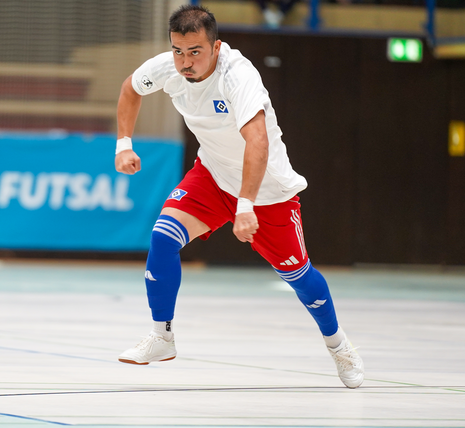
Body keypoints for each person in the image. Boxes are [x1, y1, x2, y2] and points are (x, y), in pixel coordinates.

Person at [113, 4, 364, 389]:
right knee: (163, 237)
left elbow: (258, 142)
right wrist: (124, 144)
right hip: (214, 175)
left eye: (195, 51)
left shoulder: (238, 76)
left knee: (299, 276)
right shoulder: (168, 68)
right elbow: (131, 88)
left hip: (267, 190)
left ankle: (338, 345)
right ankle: (162, 337)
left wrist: (245, 204)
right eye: (178, 51)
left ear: (216, 47)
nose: (185, 62)